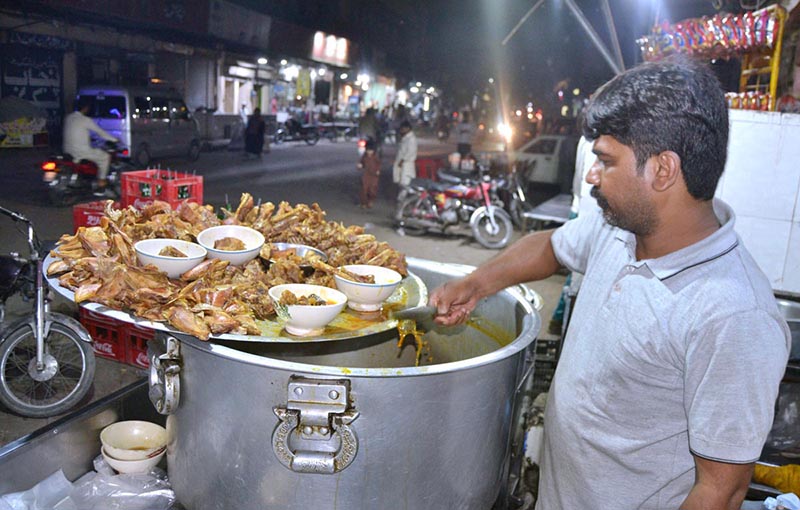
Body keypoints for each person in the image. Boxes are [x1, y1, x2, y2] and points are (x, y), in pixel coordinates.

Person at [430, 59, 790, 509]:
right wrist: (476, 283)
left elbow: (720, 489)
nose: (590, 176)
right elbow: (551, 247)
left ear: (663, 170)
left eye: (605, 160)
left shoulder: (733, 316)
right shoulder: (620, 228)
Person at [63, 96, 118, 197]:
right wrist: (114, 139)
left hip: (67, 151)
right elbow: (100, 132)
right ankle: (101, 185)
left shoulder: (68, 118)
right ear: (85, 108)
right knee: (105, 157)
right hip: (81, 152)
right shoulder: (85, 120)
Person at [392, 120, 417, 200]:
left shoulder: (411, 139)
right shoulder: (406, 138)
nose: (401, 131)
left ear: (407, 128)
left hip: (406, 164)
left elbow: (410, 152)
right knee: (402, 182)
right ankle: (402, 198)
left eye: (402, 129)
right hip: (402, 163)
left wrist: (403, 160)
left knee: (405, 182)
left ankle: (402, 199)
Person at [357, 139, 381, 209]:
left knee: (372, 189)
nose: (369, 152)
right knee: (364, 189)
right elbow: (361, 164)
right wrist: (360, 166)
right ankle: (364, 202)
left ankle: (370, 201)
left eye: (371, 151)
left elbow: (379, 164)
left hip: (374, 176)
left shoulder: (376, 157)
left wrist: (378, 170)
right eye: (368, 150)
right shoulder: (364, 157)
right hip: (366, 175)